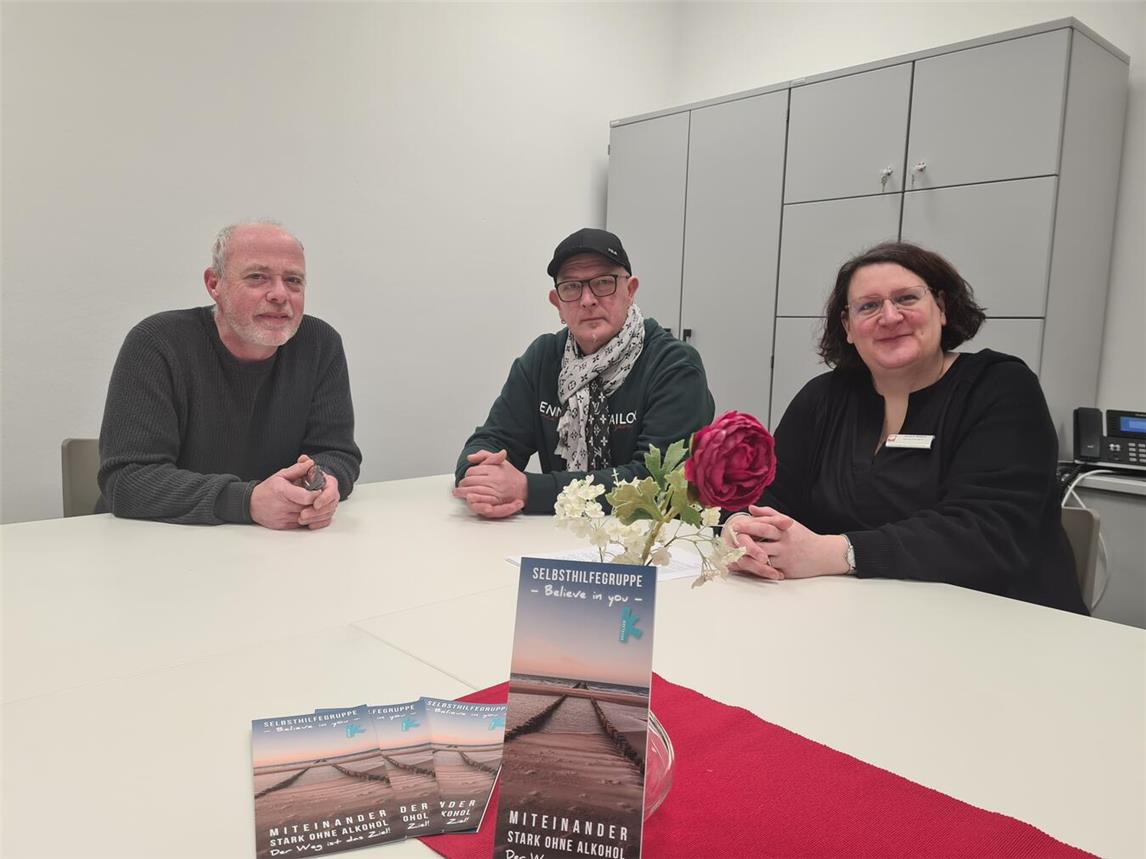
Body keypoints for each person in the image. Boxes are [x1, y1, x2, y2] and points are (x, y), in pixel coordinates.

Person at [725, 241, 1086, 613]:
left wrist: (836, 552)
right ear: (848, 327)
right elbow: (765, 496)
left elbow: (986, 531)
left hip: (1000, 618)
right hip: (855, 613)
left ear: (941, 307)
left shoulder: (999, 388)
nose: (890, 316)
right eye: (868, 306)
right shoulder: (824, 398)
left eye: (907, 298)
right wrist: (740, 531)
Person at [97, 221, 361, 529]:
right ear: (214, 284)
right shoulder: (157, 343)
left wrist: (322, 483)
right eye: (257, 277)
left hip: (279, 542)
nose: (280, 294)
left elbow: (336, 453)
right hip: (155, 540)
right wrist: (246, 501)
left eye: (293, 280)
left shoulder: (319, 343)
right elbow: (128, 479)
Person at [454, 227, 714, 518]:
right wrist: (480, 479)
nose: (588, 299)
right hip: (556, 533)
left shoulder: (674, 365)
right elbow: (491, 440)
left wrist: (530, 489)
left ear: (630, 291)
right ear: (557, 304)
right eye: (571, 287)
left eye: (603, 283)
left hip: (650, 537)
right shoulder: (543, 358)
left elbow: (656, 483)